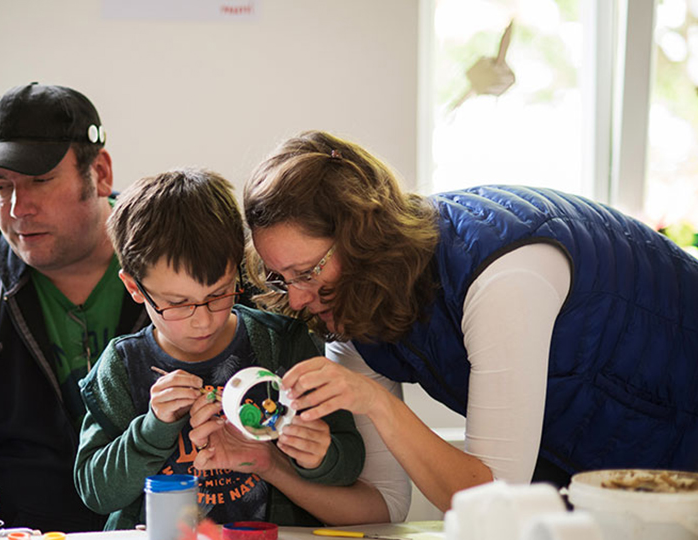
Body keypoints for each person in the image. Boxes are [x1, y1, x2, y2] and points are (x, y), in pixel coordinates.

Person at [243, 130, 698, 516]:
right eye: (281, 279)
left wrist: (380, 405)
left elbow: (492, 501)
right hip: (608, 467)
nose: (299, 298)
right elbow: (383, 504)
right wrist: (271, 465)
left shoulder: (501, 276)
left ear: (362, 237)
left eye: (308, 271)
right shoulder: (351, 310)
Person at [74, 168, 389, 531]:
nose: (203, 321)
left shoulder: (280, 343)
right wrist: (152, 428)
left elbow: (349, 460)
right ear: (134, 287)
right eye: (178, 303)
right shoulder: (122, 366)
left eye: (219, 294)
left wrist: (319, 457)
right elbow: (95, 492)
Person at [0, 83, 147, 533]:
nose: (19, 208)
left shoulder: (187, 272)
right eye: (1, 185)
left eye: (40, 181)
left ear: (101, 173)